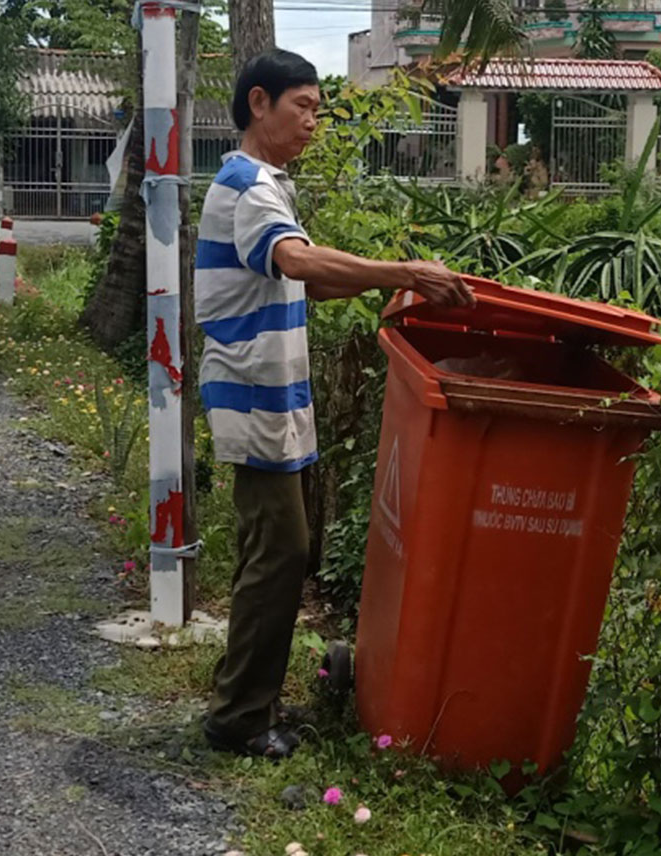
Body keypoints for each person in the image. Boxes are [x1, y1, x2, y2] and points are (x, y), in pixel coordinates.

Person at [195, 49, 474, 759]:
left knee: (276, 550)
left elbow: (310, 281)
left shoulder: (270, 186)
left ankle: (248, 699)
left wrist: (388, 284)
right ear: (260, 103)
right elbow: (295, 262)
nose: (315, 121)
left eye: (319, 109)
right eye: (305, 106)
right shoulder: (249, 183)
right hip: (254, 393)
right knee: (281, 551)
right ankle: (239, 719)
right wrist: (405, 271)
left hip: (271, 393)